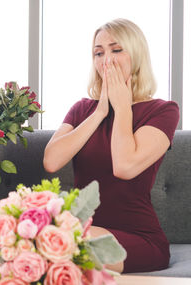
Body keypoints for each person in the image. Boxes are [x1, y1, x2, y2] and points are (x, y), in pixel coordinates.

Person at [43, 18, 179, 273]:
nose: (106, 60)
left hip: (139, 237)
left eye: (116, 50)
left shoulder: (163, 111)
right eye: (98, 52)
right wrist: (100, 112)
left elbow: (125, 166)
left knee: (64, 243)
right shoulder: (83, 109)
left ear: (136, 56)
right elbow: (51, 161)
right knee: (45, 239)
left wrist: (122, 108)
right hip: (82, 228)